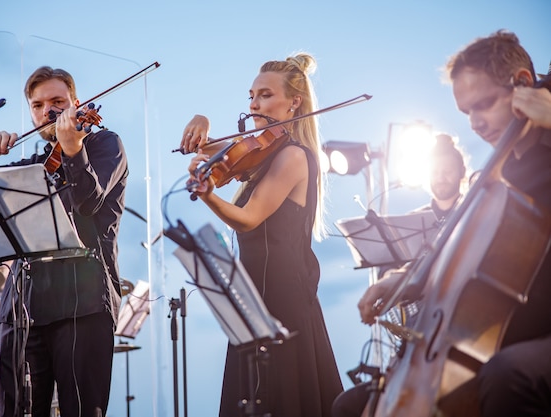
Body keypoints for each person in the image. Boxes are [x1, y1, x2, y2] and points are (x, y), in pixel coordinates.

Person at [346, 30, 551, 417]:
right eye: (465, 112)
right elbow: (458, 255)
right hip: (504, 332)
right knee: (356, 403)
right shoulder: (501, 177)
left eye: (484, 105)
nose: (475, 122)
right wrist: (406, 279)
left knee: (508, 376)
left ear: (524, 85)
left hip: (535, 336)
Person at [0, 66, 128, 417]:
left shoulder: (105, 145)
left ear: (76, 104)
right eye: (38, 105)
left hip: (84, 303)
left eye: (58, 102)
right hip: (22, 307)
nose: (48, 112)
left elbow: (88, 204)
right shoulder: (35, 164)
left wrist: (74, 151)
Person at [180, 53, 343, 416]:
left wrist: (207, 194)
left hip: (282, 300)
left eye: (265, 95)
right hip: (253, 297)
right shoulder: (263, 151)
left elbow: (248, 219)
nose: (254, 103)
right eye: (251, 95)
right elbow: (210, 146)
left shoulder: (294, 157)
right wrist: (201, 120)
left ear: (294, 103)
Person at [331, 132, 469, 417]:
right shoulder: (412, 221)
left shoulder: (472, 215)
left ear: (461, 174)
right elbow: (404, 270)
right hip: (417, 335)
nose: (441, 178)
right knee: (345, 405)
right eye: (435, 172)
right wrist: (387, 282)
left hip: (456, 329)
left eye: (448, 172)